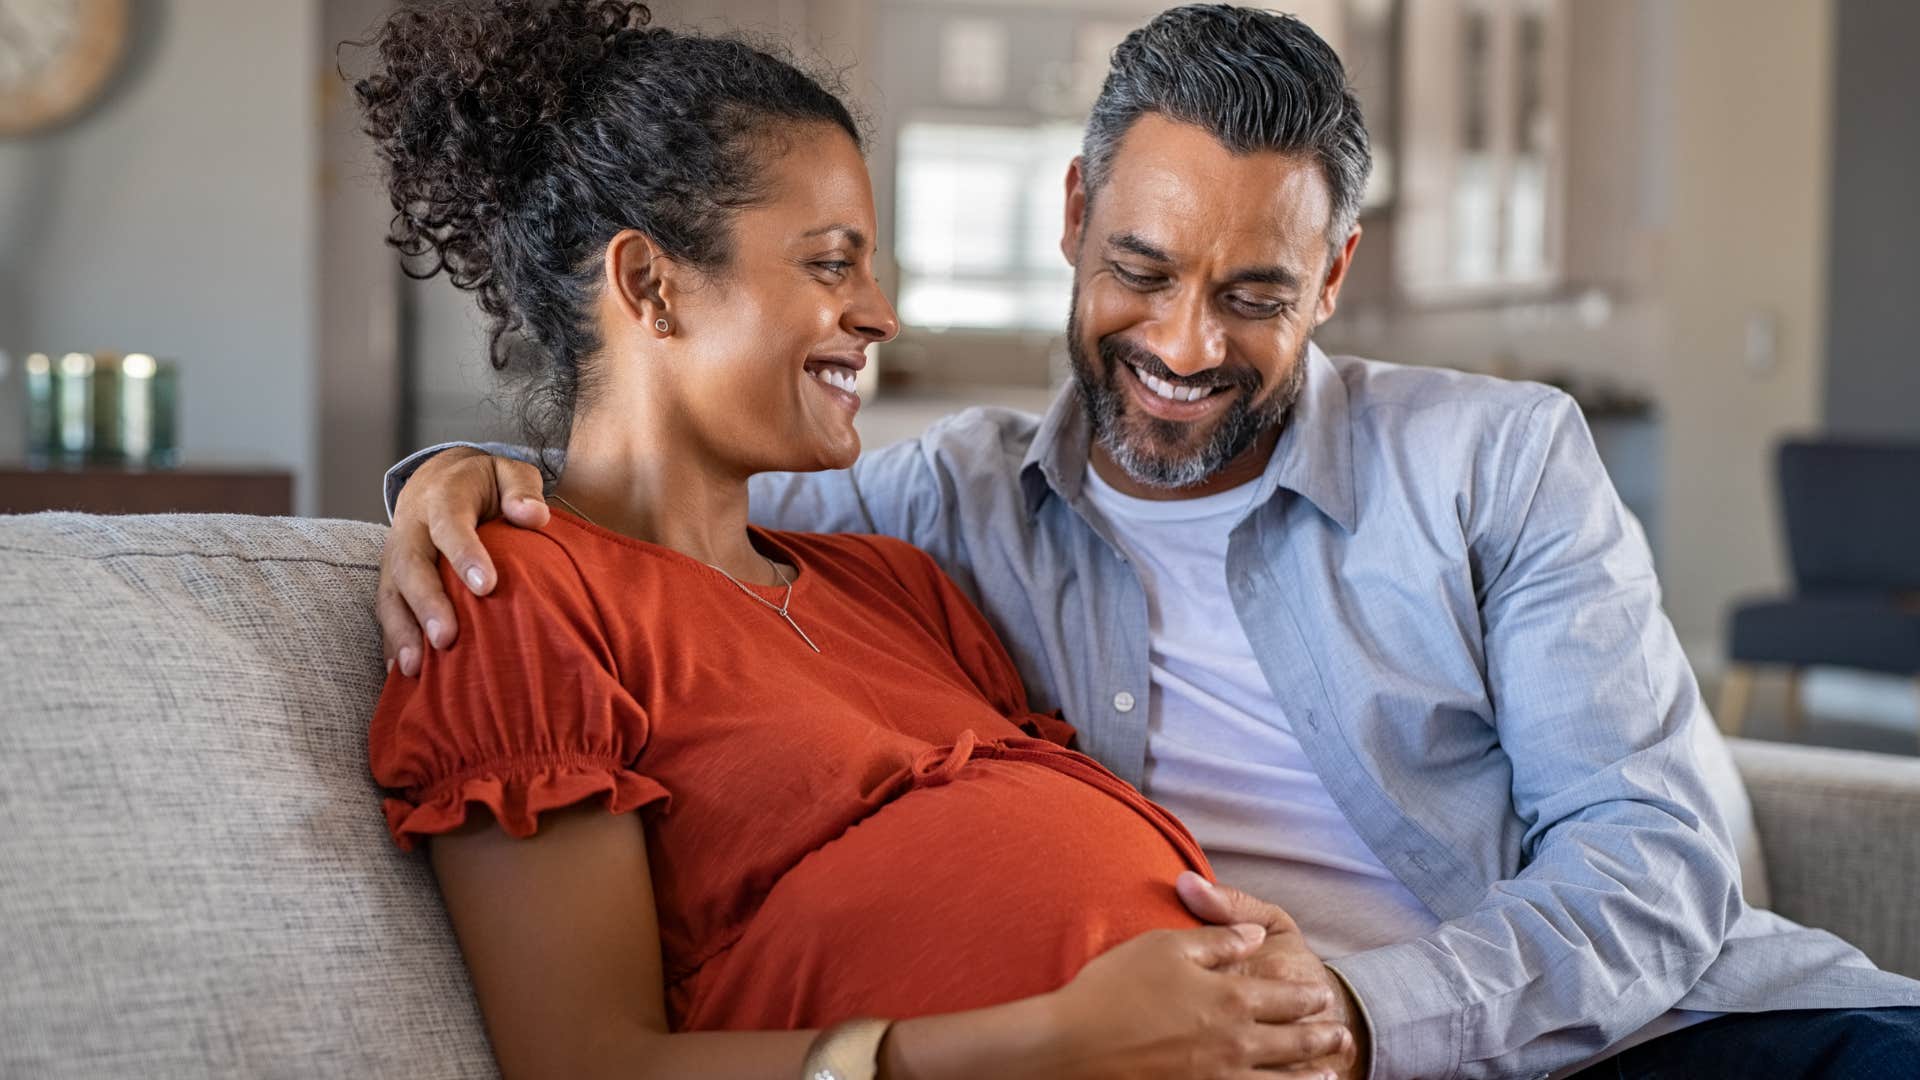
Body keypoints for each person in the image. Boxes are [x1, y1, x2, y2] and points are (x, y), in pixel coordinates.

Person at [381, 4, 1920, 1078]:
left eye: (1254, 293)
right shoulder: (941, 507)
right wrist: (447, 476)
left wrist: (1352, 1019)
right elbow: (643, 511)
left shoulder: (1492, 461)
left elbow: (1654, 864)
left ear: (1333, 278)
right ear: (1071, 215)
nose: (1183, 344)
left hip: (1652, 1039)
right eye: (1140, 269)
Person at [358, 3, 1362, 1079]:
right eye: (833, 265)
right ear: (650, 285)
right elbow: (584, 1065)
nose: (879, 312)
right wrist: (1056, 1039)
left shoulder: (897, 582)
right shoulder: (522, 602)